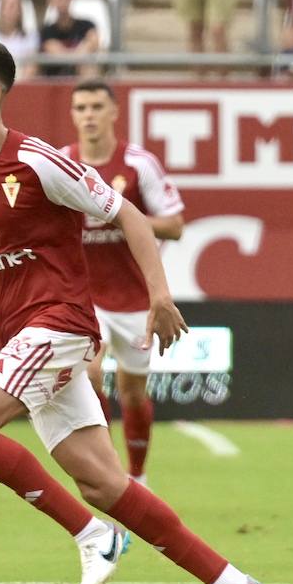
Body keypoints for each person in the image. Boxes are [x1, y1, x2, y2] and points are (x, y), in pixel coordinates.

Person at [0, 36, 268, 584]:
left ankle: (92, 534)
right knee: (102, 482)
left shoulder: (39, 161)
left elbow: (128, 215)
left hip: (61, 325)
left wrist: (159, 296)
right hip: (22, 332)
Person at [57, 80, 185, 484]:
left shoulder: (138, 163)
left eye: (97, 106)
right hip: (83, 295)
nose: (89, 115)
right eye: (81, 107)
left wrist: (121, 217)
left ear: (114, 112)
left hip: (133, 297)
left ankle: (139, 476)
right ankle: (109, 473)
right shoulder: (61, 162)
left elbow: (176, 225)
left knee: (131, 392)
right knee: (90, 375)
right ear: (73, 115)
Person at [39, 0, 99, 77]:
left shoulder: (87, 25)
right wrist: (79, 52)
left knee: (87, 68)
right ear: (50, 1)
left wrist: (73, 55)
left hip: (81, 76)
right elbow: (55, 53)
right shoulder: (47, 30)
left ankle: (88, 91)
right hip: (54, 79)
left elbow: (93, 43)